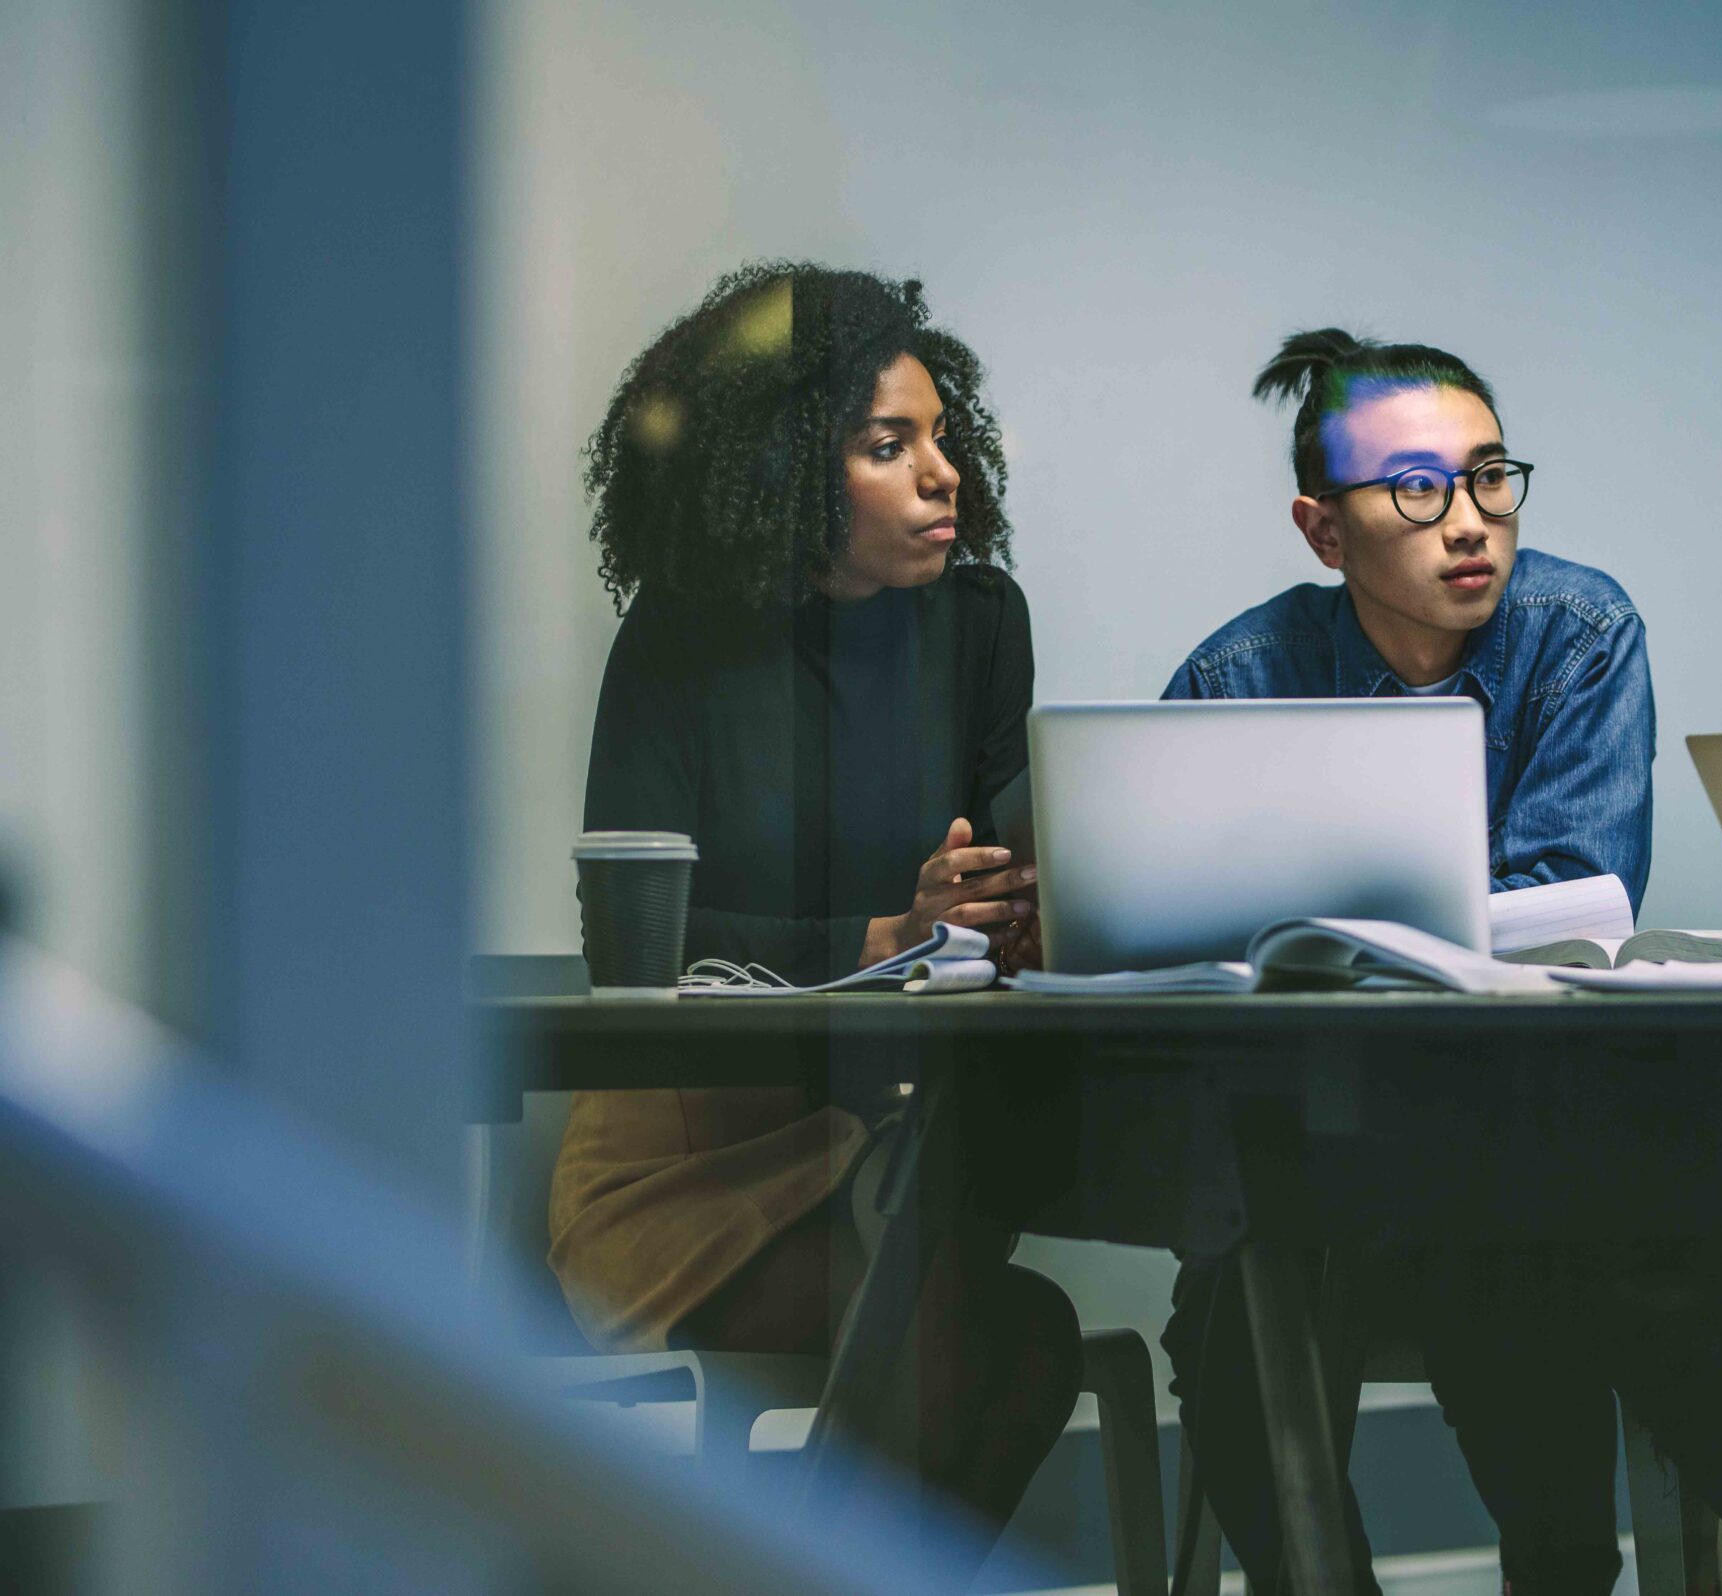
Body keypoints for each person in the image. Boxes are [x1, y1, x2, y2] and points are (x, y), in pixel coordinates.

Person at [547, 264, 1081, 1577]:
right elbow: (637, 938)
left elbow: (1007, 867)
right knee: (981, 1343)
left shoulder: (980, 623)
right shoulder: (680, 638)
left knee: (1008, 1327)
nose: (942, 474)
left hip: (897, 1125)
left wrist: (1003, 906)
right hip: (690, 1162)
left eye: (944, 438)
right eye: (888, 446)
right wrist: (881, 941)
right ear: (786, 473)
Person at [1157, 329, 1665, 1596]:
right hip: (1296, 1147)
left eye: (1491, 476)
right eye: (1418, 489)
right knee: (1226, 1320)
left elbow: (1576, 899)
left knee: (1519, 1279)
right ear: (1324, 532)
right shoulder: (1236, 679)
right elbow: (1168, 938)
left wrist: (1323, 931)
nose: (1470, 522)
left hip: (1512, 1138)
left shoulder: (1576, 631)